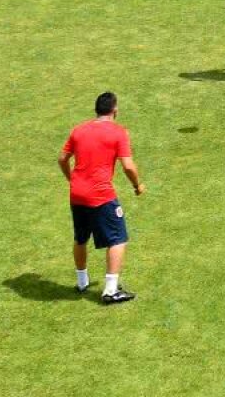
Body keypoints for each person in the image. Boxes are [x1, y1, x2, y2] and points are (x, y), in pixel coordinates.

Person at [58, 92, 145, 304]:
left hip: (77, 194)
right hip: (100, 195)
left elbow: (62, 159)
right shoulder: (118, 132)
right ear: (115, 110)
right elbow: (128, 166)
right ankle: (110, 290)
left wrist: (72, 180)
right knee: (118, 239)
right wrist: (137, 185)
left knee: (81, 237)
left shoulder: (79, 130)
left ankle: (82, 282)